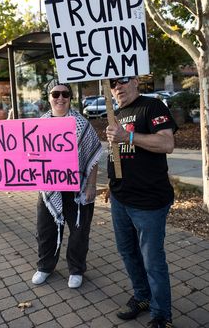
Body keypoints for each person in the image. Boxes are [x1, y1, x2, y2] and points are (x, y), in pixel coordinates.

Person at [106, 76, 177, 328]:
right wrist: (112, 185)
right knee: (127, 252)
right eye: (112, 84)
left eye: (122, 81)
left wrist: (129, 136)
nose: (117, 87)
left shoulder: (152, 106)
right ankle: (143, 296)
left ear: (135, 81)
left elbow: (167, 143)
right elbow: (118, 153)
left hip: (149, 200)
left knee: (152, 259)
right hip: (120, 197)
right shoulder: (115, 111)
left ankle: (161, 314)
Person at [32, 78, 102, 289]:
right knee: (46, 229)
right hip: (49, 188)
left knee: (79, 231)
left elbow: (93, 156)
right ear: (49, 97)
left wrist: (91, 186)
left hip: (77, 188)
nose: (60, 98)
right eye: (56, 94)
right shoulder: (39, 124)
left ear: (70, 98)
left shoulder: (81, 124)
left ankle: (76, 269)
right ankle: (45, 266)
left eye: (65, 94)